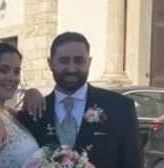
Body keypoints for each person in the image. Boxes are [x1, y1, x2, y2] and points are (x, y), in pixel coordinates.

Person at [18, 32, 143, 168]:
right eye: (64, 61)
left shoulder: (119, 107)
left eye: (78, 61)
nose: (72, 69)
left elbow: (133, 163)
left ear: (89, 62)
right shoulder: (33, 112)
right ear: (50, 63)